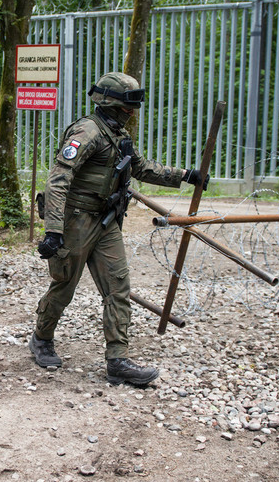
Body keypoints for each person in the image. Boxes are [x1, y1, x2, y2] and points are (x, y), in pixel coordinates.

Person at [30, 72, 208, 386]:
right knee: (64, 287)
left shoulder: (116, 133)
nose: (133, 111)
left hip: (105, 221)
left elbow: (139, 167)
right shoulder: (87, 131)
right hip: (75, 221)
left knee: (117, 288)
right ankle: (42, 338)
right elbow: (58, 181)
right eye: (130, 105)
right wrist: (53, 230)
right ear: (113, 103)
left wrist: (186, 174)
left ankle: (118, 360)